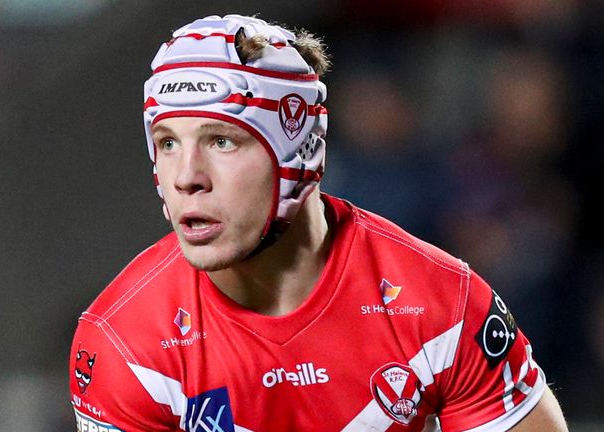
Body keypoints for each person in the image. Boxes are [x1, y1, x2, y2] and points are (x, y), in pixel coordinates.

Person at [69, 14, 567, 432]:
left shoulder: (442, 305)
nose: (186, 178)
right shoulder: (126, 345)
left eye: (221, 141)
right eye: (168, 143)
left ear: (300, 149)